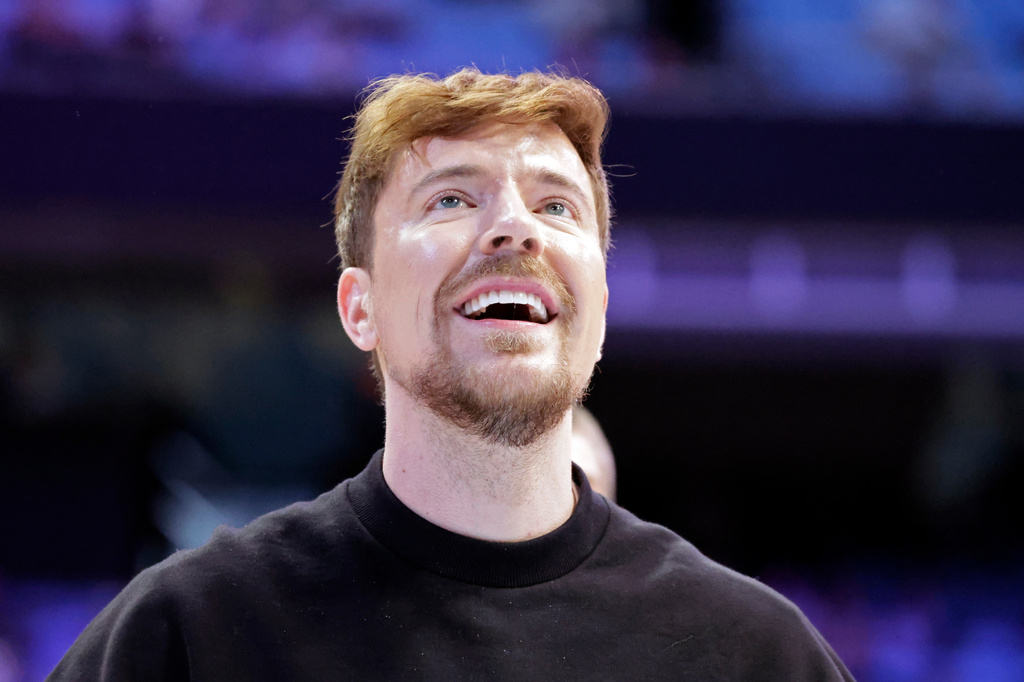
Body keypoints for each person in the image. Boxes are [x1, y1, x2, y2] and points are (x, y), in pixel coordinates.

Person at [49, 68, 854, 680]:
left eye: (557, 206)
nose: (514, 228)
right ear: (357, 308)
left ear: (600, 313)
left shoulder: (754, 655)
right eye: (450, 201)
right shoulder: (186, 636)